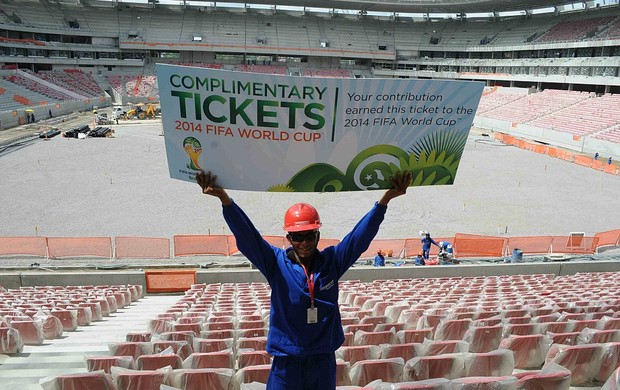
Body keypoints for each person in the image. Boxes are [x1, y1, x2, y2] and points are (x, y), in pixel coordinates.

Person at [196, 169, 412, 389]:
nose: (305, 242)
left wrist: (384, 201)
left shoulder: (332, 261)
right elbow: (247, 235)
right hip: (287, 364)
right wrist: (225, 200)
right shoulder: (275, 263)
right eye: (298, 237)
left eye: (310, 235)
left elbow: (359, 237)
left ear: (318, 234)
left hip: (322, 361)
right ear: (289, 238)